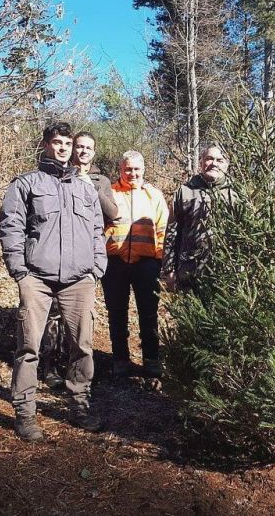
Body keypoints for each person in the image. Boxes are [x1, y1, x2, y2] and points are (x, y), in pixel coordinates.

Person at [0, 122, 108, 441]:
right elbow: (11, 227)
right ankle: (26, 414)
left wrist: (96, 267)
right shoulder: (26, 184)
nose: (63, 148)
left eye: (67, 143)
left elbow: (97, 232)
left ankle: (79, 405)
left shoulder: (86, 188)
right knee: (29, 346)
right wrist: (19, 270)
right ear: (46, 146)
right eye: (57, 142)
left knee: (83, 346)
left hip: (80, 280)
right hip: (37, 278)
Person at [39, 131, 119, 389]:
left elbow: (113, 214)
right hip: (54, 258)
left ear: (94, 153)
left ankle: (76, 374)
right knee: (52, 316)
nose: (83, 151)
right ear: (73, 149)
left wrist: (90, 185)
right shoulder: (56, 174)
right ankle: (49, 365)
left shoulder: (101, 180)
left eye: (88, 148)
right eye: (80, 147)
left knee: (81, 320)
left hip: (84, 260)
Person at [102, 151, 169, 379]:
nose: (132, 173)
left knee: (149, 313)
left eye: (136, 169)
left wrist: (159, 259)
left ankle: (151, 360)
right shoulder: (109, 193)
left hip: (147, 263)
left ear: (143, 170)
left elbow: (163, 230)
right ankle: (120, 359)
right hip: (114, 264)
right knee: (116, 312)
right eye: (128, 169)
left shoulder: (153, 195)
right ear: (120, 169)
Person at [163, 144, 236, 292]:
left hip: (227, 275)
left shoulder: (236, 194)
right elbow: (171, 233)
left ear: (226, 165)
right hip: (189, 273)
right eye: (209, 159)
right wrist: (169, 270)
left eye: (219, 160)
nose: (214, 163)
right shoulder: (185, 192)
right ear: (201, 162)